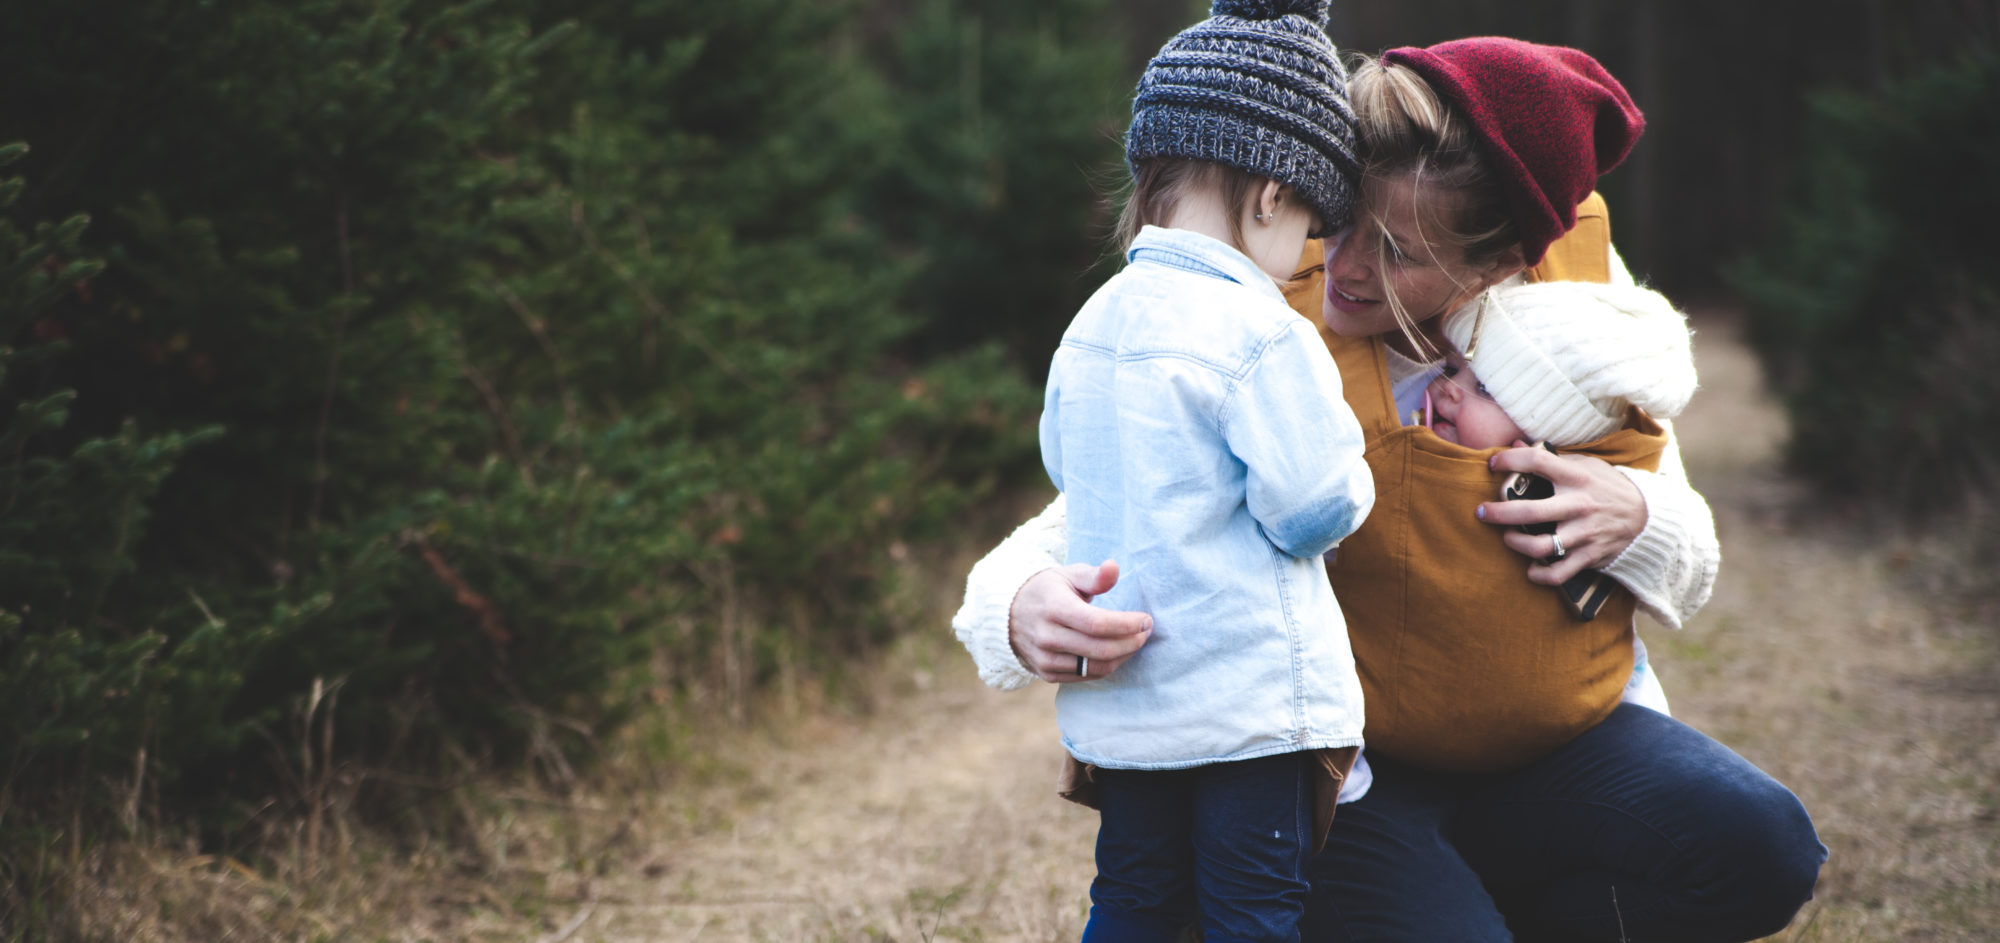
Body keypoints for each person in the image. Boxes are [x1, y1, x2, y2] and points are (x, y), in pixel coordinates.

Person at [954, 36, 1826, 941]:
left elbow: (1691, 558)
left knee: (1763, 844)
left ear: (1500, 263)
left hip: (1554, 749)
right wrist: (1015, 604)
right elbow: (1107, 492)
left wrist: (1639, 517)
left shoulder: (1574, 324)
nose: (1348, 264)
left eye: (1401, 250)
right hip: (1353, 771)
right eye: (1342, 222)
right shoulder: (1258, 310)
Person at [1041, 3, 1373, 940]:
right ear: (1271, 194)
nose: (1309, 252)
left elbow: (1065, 465)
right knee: (1251, 911)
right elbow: (1314, 506)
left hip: (1130, 708)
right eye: (1311, 223)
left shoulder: (1092, 321)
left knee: (1135, 899)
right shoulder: (1259, 327)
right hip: (1248, 710)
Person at [1342, 278, 1699, 775]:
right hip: (1394, 739)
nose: (1445, 391)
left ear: (1544, 438)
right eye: (1450, 370)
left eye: (1484, 388)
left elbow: (1691, 563)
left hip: (1579, 728)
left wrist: (1643, 516)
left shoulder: (1577, 474)